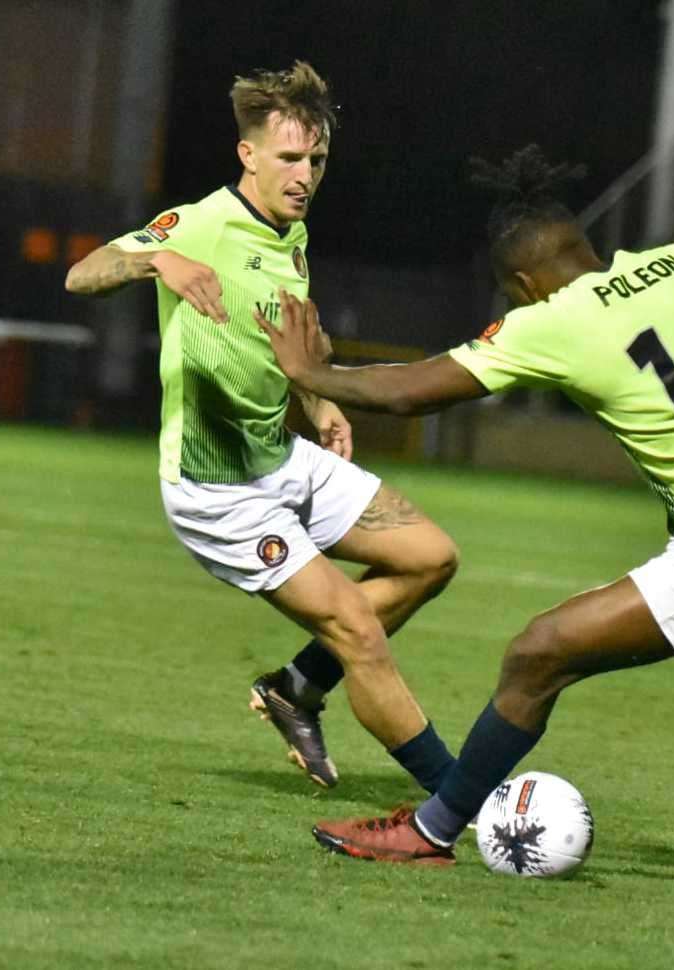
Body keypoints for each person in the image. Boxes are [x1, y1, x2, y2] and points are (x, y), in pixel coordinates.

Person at [260, 146, 674, 892]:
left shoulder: (553, 318)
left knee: (538, 654)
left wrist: (310, 374)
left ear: (521, 283)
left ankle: (430, 830)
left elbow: (416, 390)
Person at [64, 61, 459, 796]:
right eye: (289, 158)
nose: (305, 174)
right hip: (221, 492)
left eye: (316, 159)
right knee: (357, 629)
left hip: (283, 459)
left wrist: (320, 401)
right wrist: (158, 259)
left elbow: (278, 340)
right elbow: (83, 271)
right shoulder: (204, 223)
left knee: (430, 556)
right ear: (248, 155)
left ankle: (296, 689)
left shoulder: (293, 236)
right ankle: (461, 796)